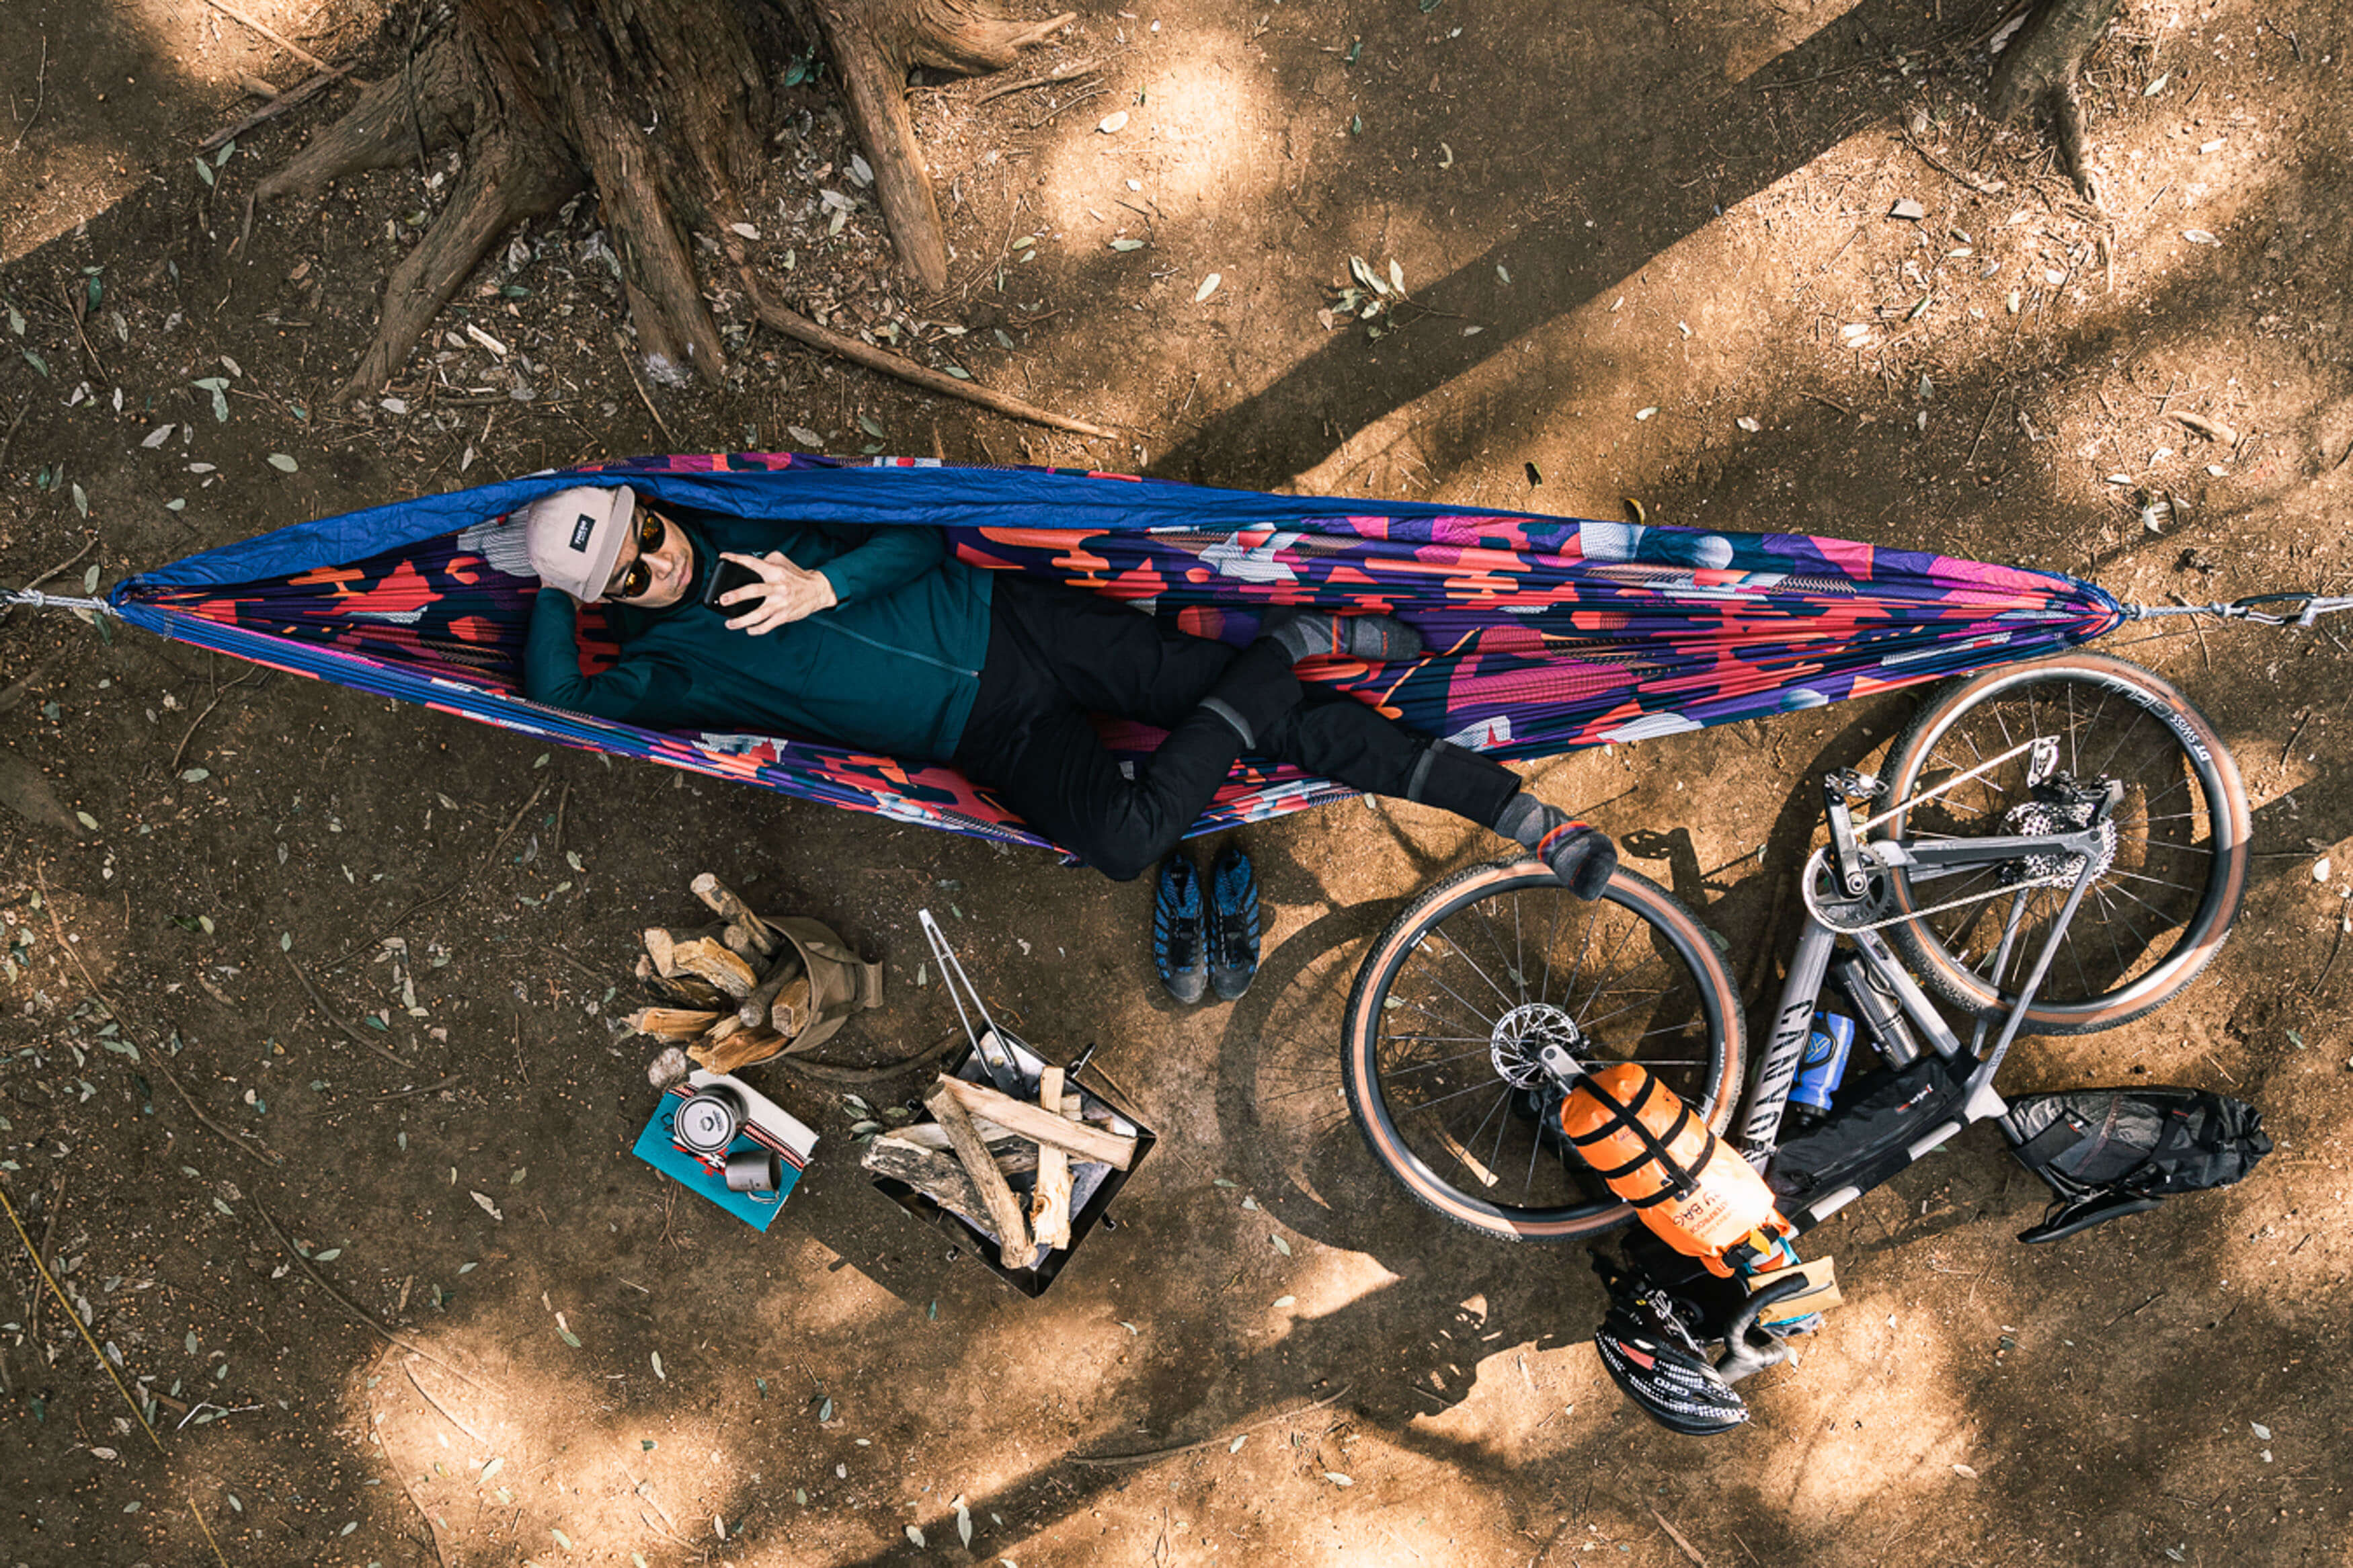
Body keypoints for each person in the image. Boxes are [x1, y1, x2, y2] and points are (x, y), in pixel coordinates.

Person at [520, 485, 1617, 994]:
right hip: (984, 729)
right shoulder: (667, 670)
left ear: (655, 509)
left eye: (643, 535)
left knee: (1278, 726)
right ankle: (1286, 650)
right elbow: (562, 700)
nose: (654, 564)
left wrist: (823, 583)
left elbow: (917, 534)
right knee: (1127, 839)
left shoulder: (749, 515)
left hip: (1017, 623)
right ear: (613, 600)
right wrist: (543, 578)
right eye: (623, 575)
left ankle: (1518, 813)